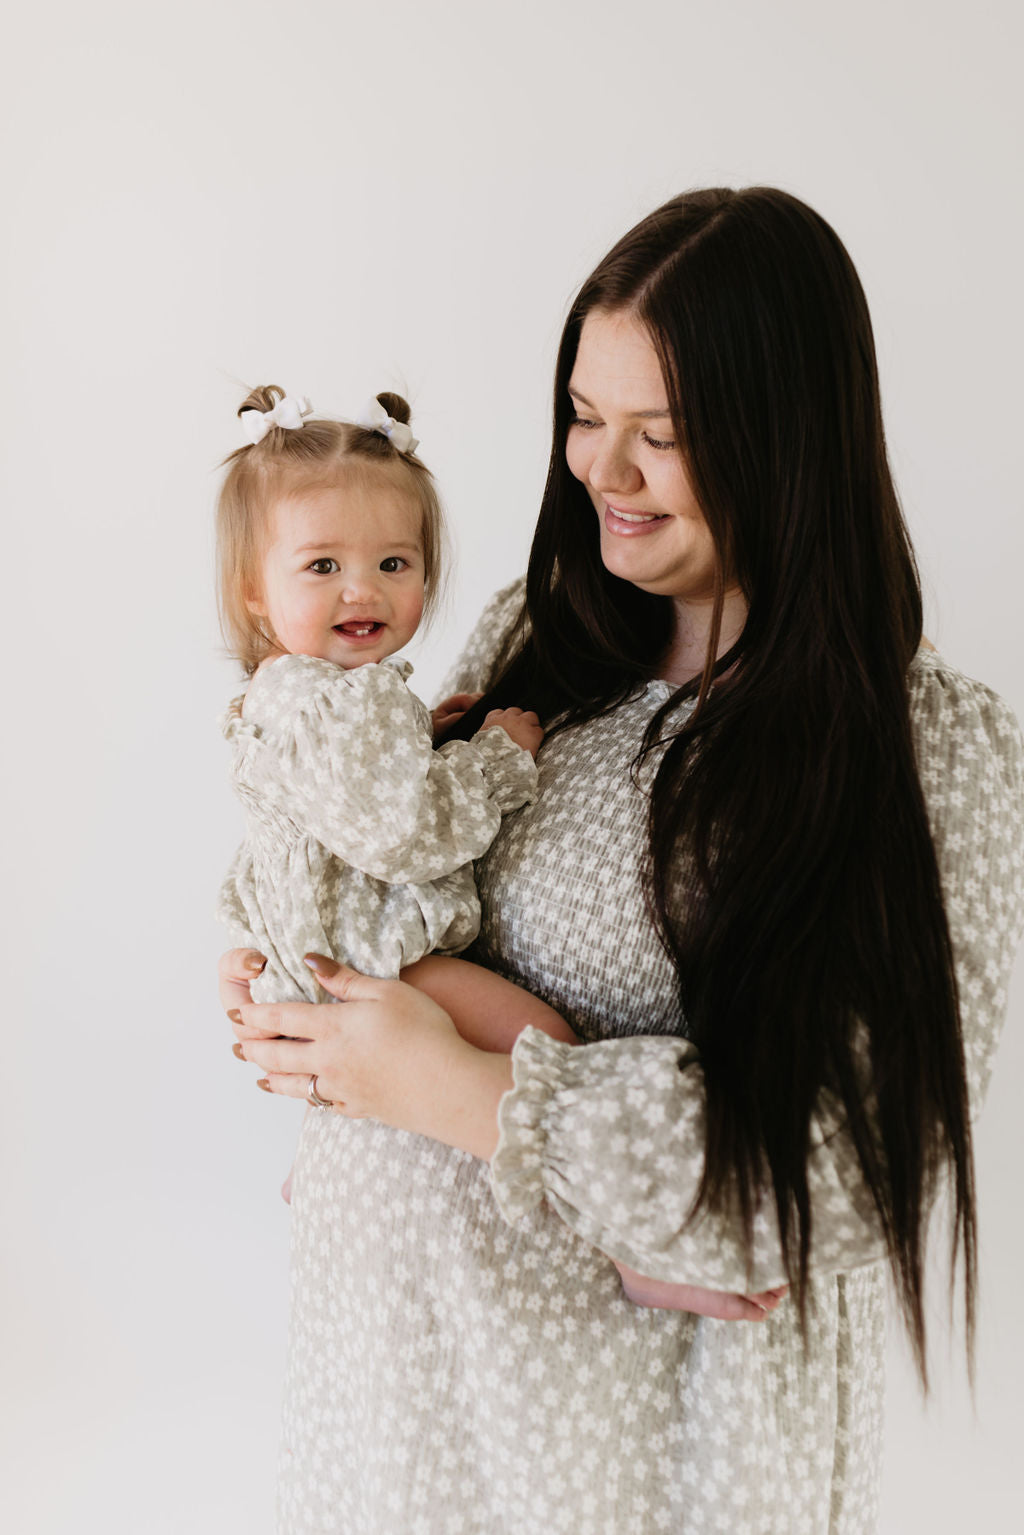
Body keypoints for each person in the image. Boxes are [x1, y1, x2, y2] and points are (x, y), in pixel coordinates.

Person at [222, 189, 1024, 1535]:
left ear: (794, 441)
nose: (605, 471)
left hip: (642, 1473)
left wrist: (454, 1083)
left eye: (664, 435)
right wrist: (289, 986)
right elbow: (381, 873)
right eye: (586, 420)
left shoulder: (921, 751)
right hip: (394, 1414)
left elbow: (822, 1177)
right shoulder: (533, 647)